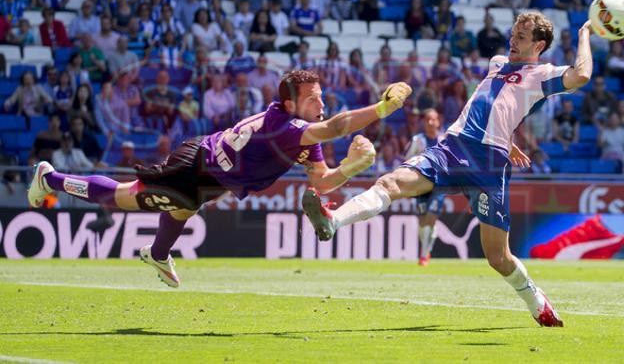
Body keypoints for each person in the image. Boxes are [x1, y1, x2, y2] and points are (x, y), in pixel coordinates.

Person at [303, 12, 597, 328]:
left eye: (521, 37)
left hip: (487, 165)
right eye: (512, 33)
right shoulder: (497, 62)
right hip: (452, 146)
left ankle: (537, 302)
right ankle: (333, 222)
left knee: (498, 259)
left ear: (539, 45)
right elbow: (492, 105)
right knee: (390, 182)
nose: (512, 40)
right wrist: (507, 136)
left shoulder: (542, 75)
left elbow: (581, 75)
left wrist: (584, 34)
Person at [28, 71, 412, 287]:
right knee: (127, 198)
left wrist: (350, 168)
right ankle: (51, 179)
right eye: (314, 98)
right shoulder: (286, 126)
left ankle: (158, 254)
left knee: (183, 209)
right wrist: (382, 107)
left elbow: (323, 182)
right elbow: (336, 127)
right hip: (197, 166)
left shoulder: (302, 134)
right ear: (292, 104)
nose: (322, 104)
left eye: (322, 97)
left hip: (213, 176)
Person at [403, 109, 446, 267]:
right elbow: (407, 161)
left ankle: (424, 254)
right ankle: (426, 250)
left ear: (438, 121)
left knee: (430, 218)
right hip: (420, 186)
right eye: (427, 119)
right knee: (422, 222)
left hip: (439, 186)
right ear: (423, 122)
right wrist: (407, 185)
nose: (430, 122)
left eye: (433, 119)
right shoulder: (417, 140)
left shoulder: (445, 140)